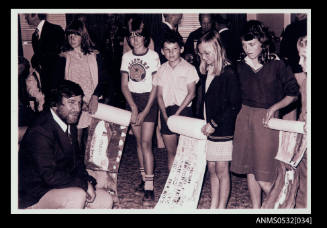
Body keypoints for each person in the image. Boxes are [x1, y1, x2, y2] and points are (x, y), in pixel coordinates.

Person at [230, 20, 299, 208]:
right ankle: (257, 209)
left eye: (251, 44)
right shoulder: (239, 65)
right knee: (251, 169)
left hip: (267, 121)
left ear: (262, 42)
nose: (247, 49)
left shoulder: (277, 64)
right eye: (244, 45)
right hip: (245, 119)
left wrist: (274, 107)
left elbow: (293, 93)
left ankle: (283, 207)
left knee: (264, 174)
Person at [18, 80, 113, 209]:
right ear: (55, 104)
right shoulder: (40, 130)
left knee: (105, 200)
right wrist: (83, 185)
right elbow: (49, 175)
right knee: (78, 196)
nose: (77, 109)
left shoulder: (68, 122)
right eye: (71, 103)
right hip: (35, 194)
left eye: (79, 103)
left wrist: (87, 180)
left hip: (60, 186)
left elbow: (76, 162)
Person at [197, 31, 242, 209]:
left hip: (222, 129)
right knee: (212, 169)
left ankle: (221, 207)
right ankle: (214, 204)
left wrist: (214, 123)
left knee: (222, 171)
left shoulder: (228, 72)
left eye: (207, 53)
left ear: (217, 49)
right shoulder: (207, 70)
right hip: (209, 128)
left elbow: (234, 104)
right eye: (201, 53)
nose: (204, 57)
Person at [120, 20, 160, 206]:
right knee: (137, 142)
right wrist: (134, 107)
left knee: (146, 142)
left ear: (145, 37)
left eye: (138, 35)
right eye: (132, 35)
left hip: (149, 101)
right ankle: (144, 179)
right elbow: (124, 85)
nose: (134, 39)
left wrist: (144, 111)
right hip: (132, 101)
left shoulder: (153, 56)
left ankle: (150, 188)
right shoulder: (127, 56)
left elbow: (155, 87)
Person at [53, 20, 107, 152]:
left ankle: (93, 172)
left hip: (94, 101)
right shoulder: (63, 57)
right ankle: (77, 170)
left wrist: (95, 97)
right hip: (74, 103)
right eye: (69, 35)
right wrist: (79, 102)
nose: (72, 38)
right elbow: (61, 84)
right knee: (75, 141)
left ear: (83, 35)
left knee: (94, 140)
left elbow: (104, 79)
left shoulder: (95, 55)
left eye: (76, 34)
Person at [156, 31, 199, 171]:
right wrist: (164, 115)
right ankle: (172, 188)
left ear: (181, 49)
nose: (171, 53)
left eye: (174, 49)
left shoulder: (189, 69)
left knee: (186, 153)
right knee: (171, 152)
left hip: (184, 111)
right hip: (166, 112)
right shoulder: (161, 70)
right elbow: (159, 96)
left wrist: (177, 114)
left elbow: (192, 94)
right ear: (162, 52)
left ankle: (187, 187)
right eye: (167, 50)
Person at [24, 14, 65, 100]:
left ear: (34, 15)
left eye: (27, 15)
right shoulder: (34, 36)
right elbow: (39, 55)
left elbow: (58, 54)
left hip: (56, 77)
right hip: (44, 78)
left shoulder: (55, 29)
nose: (25, 18)